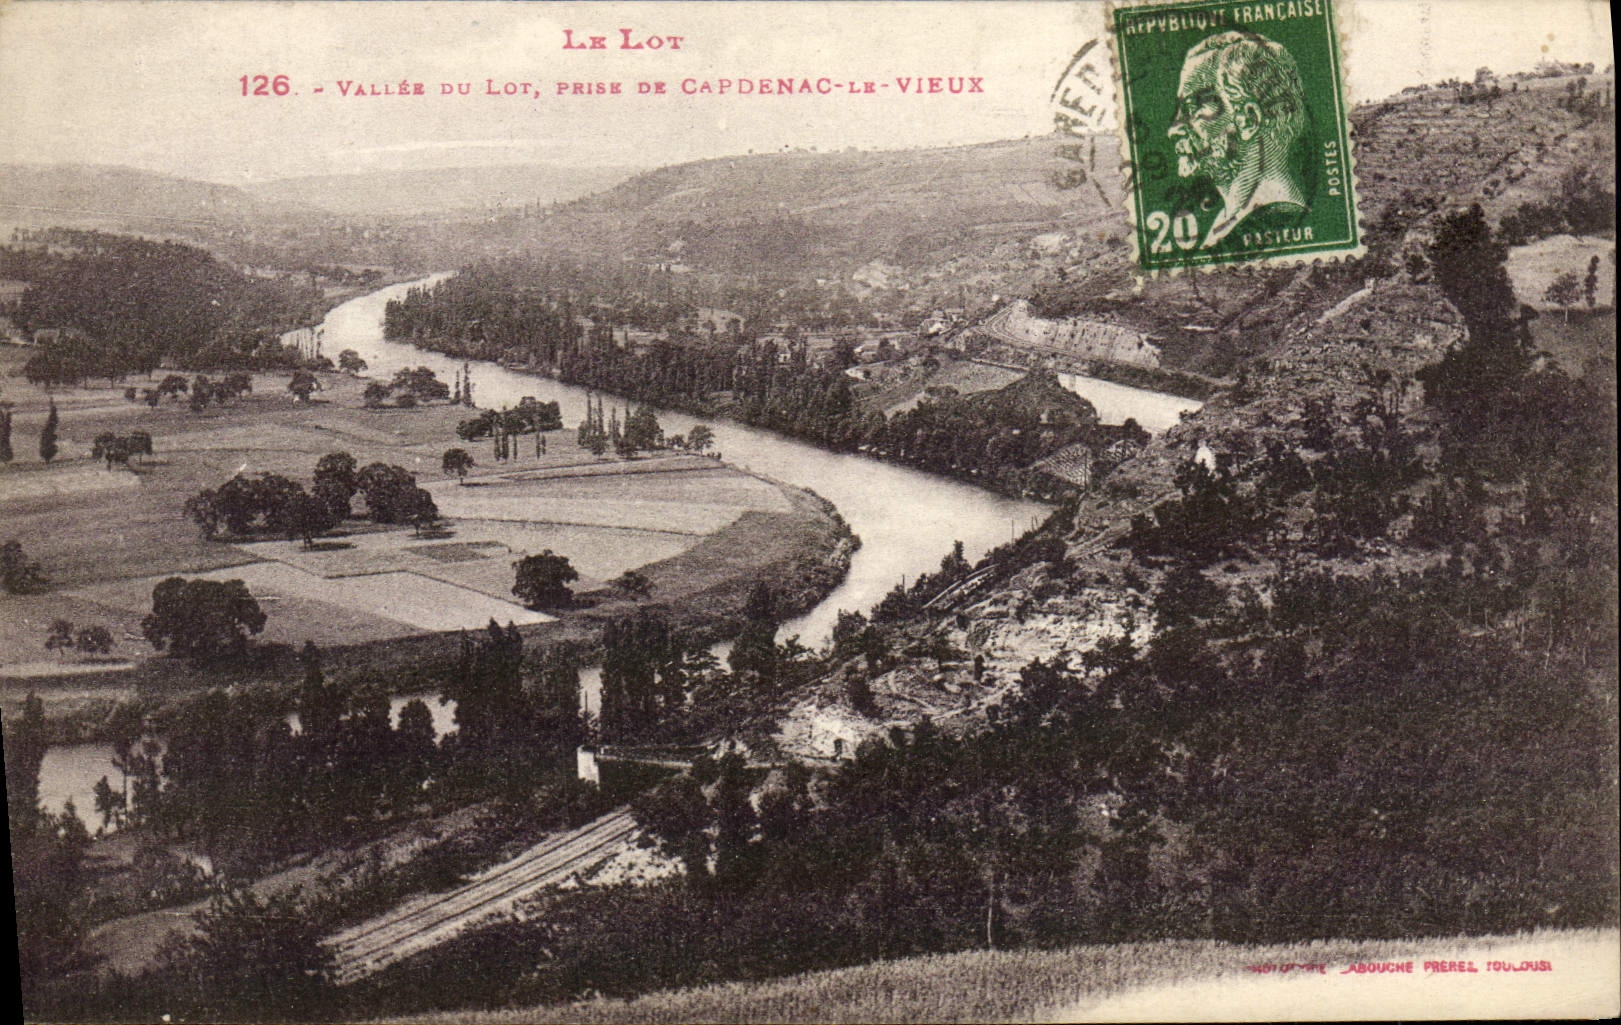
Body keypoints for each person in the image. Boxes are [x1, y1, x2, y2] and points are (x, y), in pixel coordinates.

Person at [1167, 30, 1309, 249]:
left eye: (1194, 108)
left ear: (1249, 120)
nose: (1174, 129)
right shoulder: (1231, 220)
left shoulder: (1275, 220)